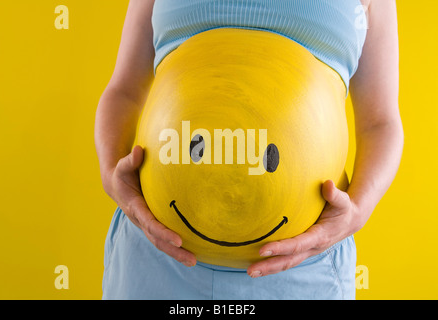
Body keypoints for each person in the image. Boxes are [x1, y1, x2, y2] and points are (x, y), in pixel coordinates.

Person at [95, 0, 403, 299]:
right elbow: (123, 91)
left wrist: (357, 212)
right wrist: (111, 174)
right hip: (156, 259)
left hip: (300, 272)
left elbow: (381, 123)